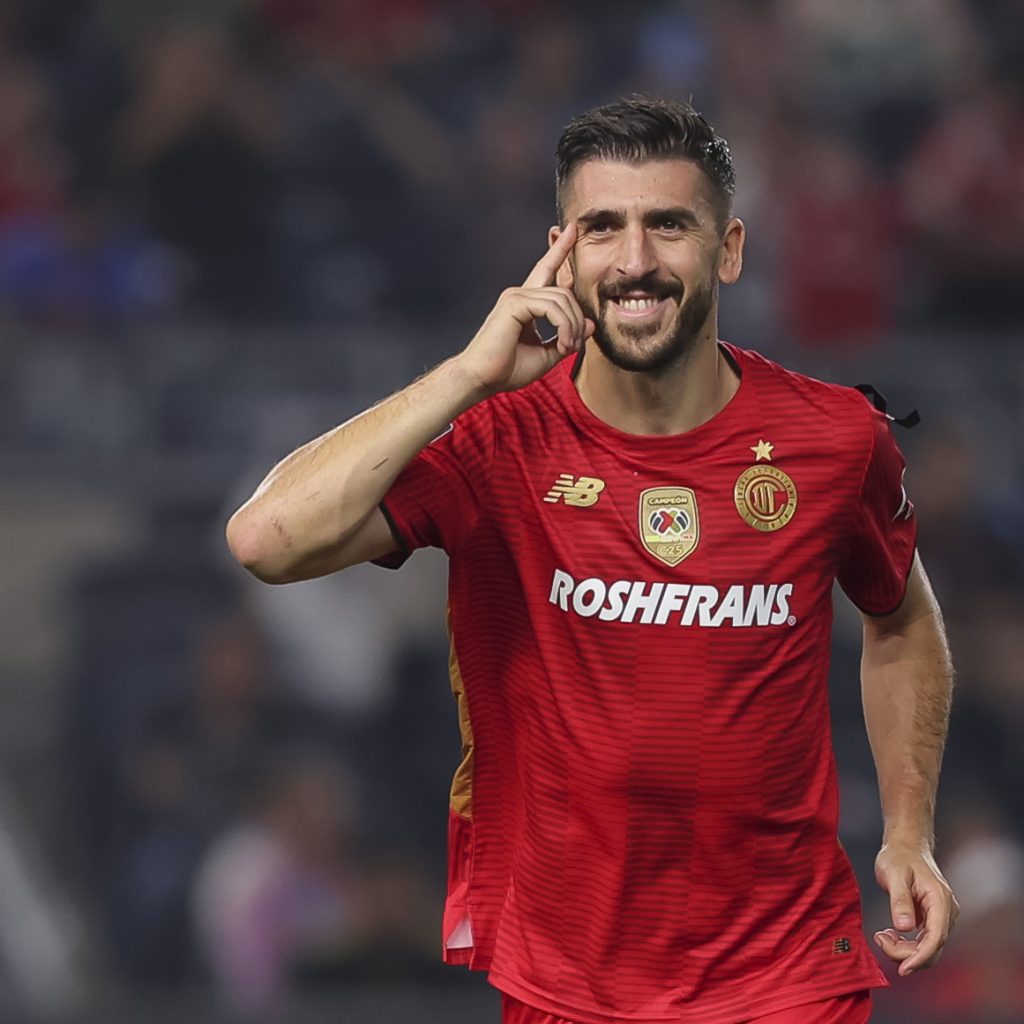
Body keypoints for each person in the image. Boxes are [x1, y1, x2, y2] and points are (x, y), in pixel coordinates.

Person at [226, 97, 958, 1024]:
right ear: (560, 256)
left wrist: (908, 831)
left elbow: (903, 621)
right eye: (603, 227)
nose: (635, 260)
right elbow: (266, 540)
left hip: (786, 975)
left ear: (729, 249)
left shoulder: (837, 437)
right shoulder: (498, 439)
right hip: (565, 981)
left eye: (669, 225)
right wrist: (467, 374)